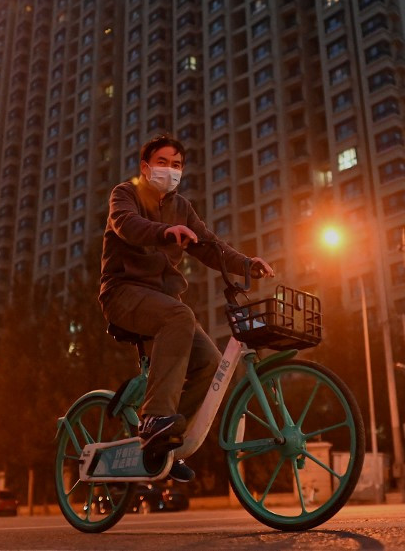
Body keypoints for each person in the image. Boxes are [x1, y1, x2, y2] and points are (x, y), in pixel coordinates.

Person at [99, 134, 274, 482]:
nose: (170, 170)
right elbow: (127, 225)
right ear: (146, 168)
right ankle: (154, 420)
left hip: (163, 301)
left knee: (211, 363)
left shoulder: (182, 207)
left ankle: (166, 444)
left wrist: (245, 264)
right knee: (180, 315)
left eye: (177, 165)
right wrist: (164, 231)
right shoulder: (126, 194)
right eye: (162, 163)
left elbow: (209, 246)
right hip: (123, 293)